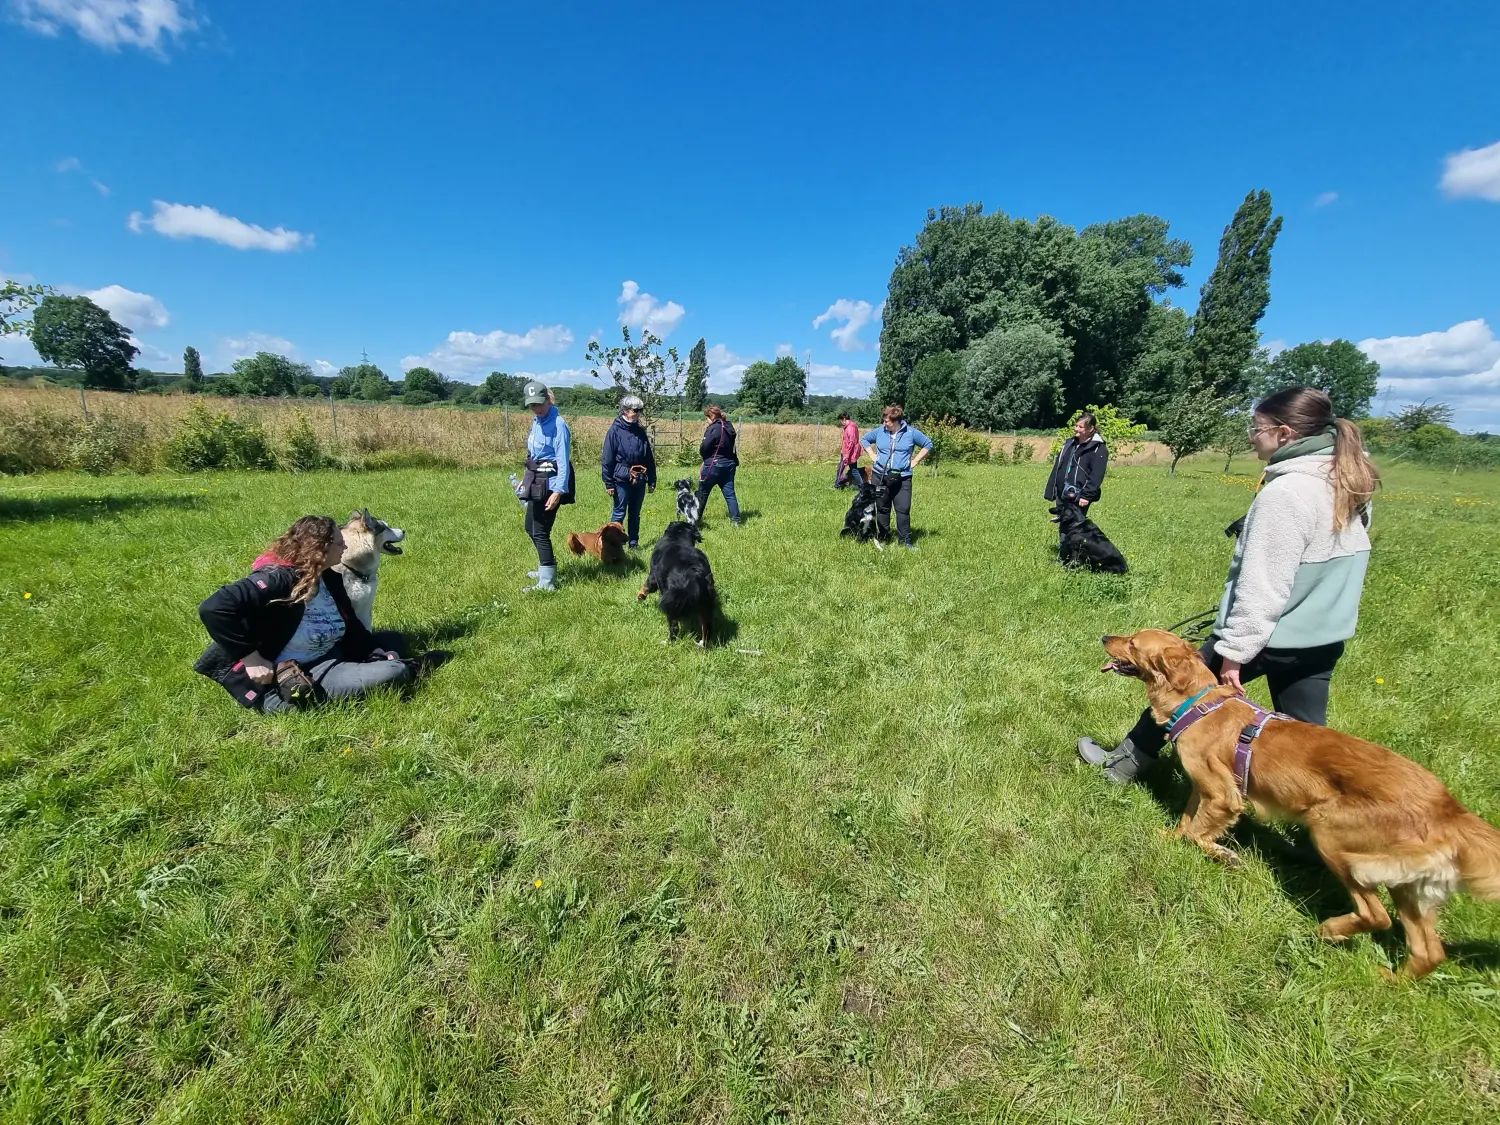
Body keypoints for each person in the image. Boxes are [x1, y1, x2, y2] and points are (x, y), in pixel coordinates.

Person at [1079, 387, 1379, 783]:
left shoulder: (1286, 492)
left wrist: (1235, 653)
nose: (1251, 436)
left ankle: (1123, 767)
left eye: (1257, 427)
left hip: (1268, 637)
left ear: (1285, 433)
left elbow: (1263, 584)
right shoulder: (1350, 479)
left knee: (1177, 693)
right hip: (1323, 636)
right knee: (1310, 735)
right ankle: (1331, 800)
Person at [195, 515, 411, 712]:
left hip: (328, 651)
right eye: (338, 542)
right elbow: (213, 608)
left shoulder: (328, 577)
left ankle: (364, 668)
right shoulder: (277, 578)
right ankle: (286, 700)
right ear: (320, 549)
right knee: (394, 672)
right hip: (299, 669)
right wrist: (251, 659)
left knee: (394, 641)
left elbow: (351, 622)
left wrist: (374, 648)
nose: (345, 544)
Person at [515, 380, 574, 591]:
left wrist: (558, 491)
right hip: (536, 478)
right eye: (532, 405)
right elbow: (533, 454)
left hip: (550, 483)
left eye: (539, 404)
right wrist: (526, 477)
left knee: (540, 531)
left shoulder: (558, 424)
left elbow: (563, 460)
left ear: (548, 400)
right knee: (530, 528)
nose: (536, 408)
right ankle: (545, 566)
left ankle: (547, 583)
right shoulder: (537, 421)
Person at [860, 405, 933, 549]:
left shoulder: (911, 433)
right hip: (880, 475)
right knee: (882, 508)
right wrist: (873, 456)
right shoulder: (880, 432)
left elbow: (928, 444)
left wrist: (915, 461)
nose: (884, 424)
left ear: (896, 421)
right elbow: (865, 440)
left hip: (903, 477)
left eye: (887, 421)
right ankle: (884, 537)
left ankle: (905, 541)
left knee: (903, 509)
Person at [601, 394, 656, 548]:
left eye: (640, 410)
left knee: (635, 514)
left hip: (639, 477)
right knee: (619, 512)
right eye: (635, 410)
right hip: (621, 478)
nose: (638, 413)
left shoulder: (640, 431)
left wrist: (652, 479)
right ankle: (612, 546)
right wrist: (609, 483)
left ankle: (633, 543)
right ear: (625, 410)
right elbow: (607, 458)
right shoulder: (614, 431)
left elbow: (648, 457)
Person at [1045, 412, 1108, 511]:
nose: (1076, 429)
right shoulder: (1069, 444)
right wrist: (1052, 489)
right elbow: (1058, 467)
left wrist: (1086, 496)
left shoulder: (1099, 448)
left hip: (1079, 495)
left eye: (1080, 427)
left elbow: (1097, 475)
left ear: (1091, 429)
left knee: (1074, 525)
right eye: (1076, 425)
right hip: (1062, 492)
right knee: (1063, 524)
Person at [694, 404, 742, 526]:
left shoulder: (713, 428)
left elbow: (705, 447)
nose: (706, 421)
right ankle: (736, 521)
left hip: (713, 467)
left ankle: (695, 521)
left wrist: (704, 457)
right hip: (729, 465)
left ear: (711, 416)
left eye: (707, 418)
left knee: (703, 493)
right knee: (730, 494)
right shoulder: (729, 426)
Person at [834, 409, 861, 488]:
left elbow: (851, 442)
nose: (840, 422)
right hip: (852, 452)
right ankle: (862, 486)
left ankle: (838, 484)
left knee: (841, 469)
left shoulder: (850, 428)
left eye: (841, 420)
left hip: (849, 452)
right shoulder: (852, 425)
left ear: (844, 419)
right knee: (854, 470)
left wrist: (846, 455)